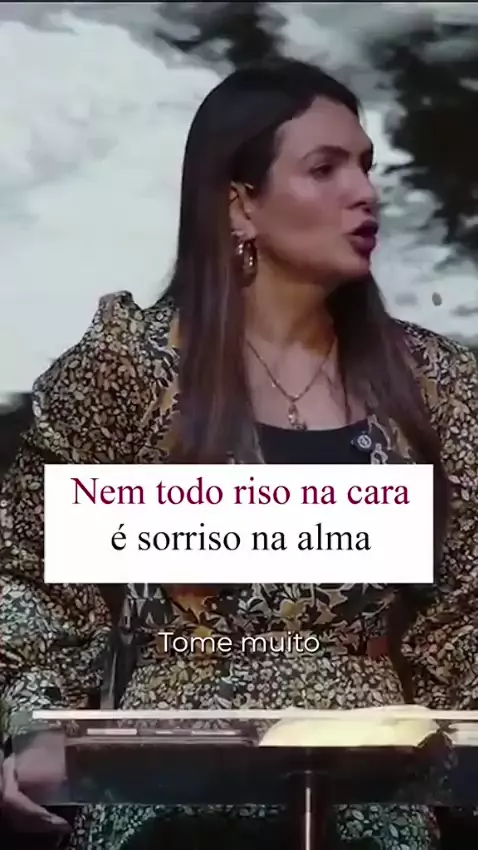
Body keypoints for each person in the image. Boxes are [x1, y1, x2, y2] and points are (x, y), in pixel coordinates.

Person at [1, 57, 478, 850]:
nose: (365, 192)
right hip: (162, 792)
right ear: (239, 204)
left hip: (371, 788)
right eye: (325, 168)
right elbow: (30, 575)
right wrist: (35, 725)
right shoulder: (129, 367)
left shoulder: (439, 385)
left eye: (365, 166)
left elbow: (465, 612)